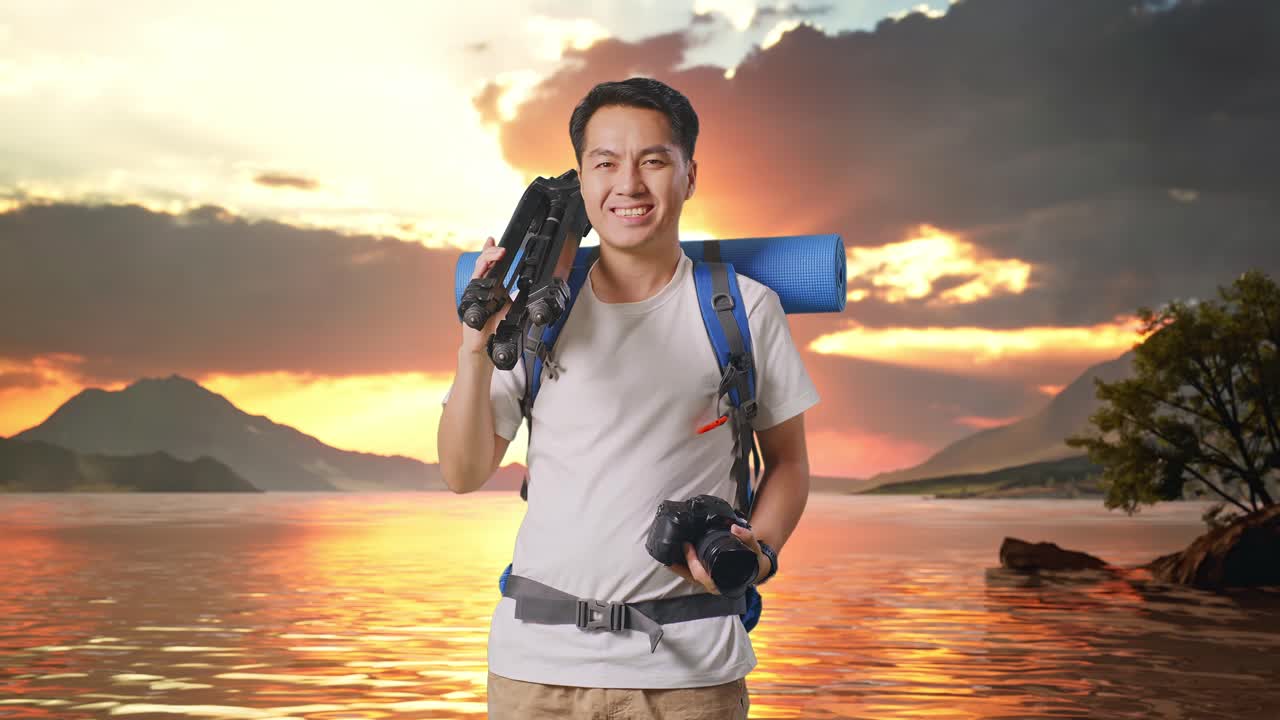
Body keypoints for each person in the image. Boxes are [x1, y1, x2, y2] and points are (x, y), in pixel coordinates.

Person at [438, 77, 819, 720]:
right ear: (583, 180)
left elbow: (789, 462)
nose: (630, 184)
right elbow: (462, 472)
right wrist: (475, 348)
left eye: (653, 161)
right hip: (535, 672)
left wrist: (759, 556)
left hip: (690, 676)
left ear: (689, 175)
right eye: (606, 162)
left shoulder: (744, 310)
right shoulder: (534, 315)